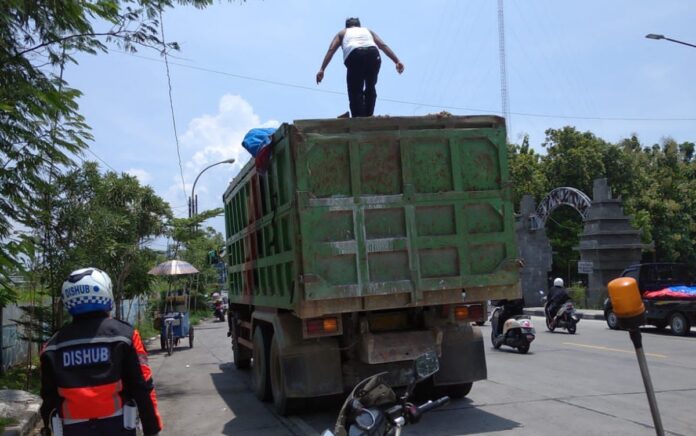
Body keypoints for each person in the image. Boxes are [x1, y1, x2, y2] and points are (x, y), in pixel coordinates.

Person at [40, 267, 163, 436]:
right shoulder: (125, 335)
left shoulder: (52, 345)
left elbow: (49, 397)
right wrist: (152, 428)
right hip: (118, 426)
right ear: (105, 293)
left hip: (72, 429)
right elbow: (142, 385)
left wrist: (47, 426)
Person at [316, 17, 404, 117]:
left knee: (355, 90)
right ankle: (368, 116)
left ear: (347, 26)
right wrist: (397, 61)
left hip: (355, 55)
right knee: (370, 86)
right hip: (373, 54)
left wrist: (322, 69)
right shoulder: (367, 31)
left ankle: (358, 117)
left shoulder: (342, 33)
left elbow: (331, 50)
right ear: (359, 25)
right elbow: (382, 45)